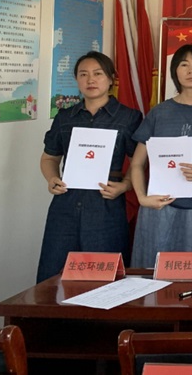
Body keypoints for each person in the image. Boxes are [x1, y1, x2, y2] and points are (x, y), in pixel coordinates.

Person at [36, 52, 142, 282]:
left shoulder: (129, 117)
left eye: (98, 74)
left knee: (105, 276)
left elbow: (139, 162)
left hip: (106, 205)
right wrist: (52, 178)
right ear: (76, 80)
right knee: (54, 274)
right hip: (66, 204)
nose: (90, 80)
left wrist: (125, 186)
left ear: (111, 79)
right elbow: (49, 158)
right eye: (83, 74)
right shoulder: (65, 117)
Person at [130, 44, 192, 268]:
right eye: (184, 64)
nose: (191, 70)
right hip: (159, 206)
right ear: (175, 71)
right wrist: (142, 198)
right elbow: (137, 163)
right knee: (154, 274)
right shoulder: (159, 112)